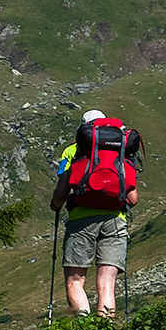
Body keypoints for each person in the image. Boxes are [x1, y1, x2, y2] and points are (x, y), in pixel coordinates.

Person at [52, 107, 136, 318]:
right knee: (107, 282)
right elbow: (133, 199)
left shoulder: (72, 151)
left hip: (81, 220)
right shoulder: (121, 148)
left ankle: (84, 329)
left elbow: (61, 192)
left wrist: (55, 205)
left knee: (75, 281)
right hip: (115, 219)